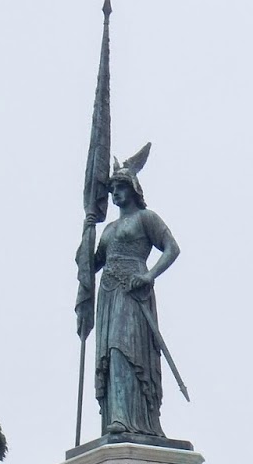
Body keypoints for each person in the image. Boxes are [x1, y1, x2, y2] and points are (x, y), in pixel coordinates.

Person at [92, 159, 180, 439]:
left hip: (133, 290)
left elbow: (171, 248)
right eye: (112, 188)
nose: (115, 193)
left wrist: (150, 275)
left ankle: (130, 418)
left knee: (123, 348)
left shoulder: (146, 218)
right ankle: (115, 414)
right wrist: (87, 232)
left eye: (120, 187)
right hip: (108, 293)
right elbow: (91, 265)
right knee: (108, 351)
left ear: (133, 189)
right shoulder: (107, 230)